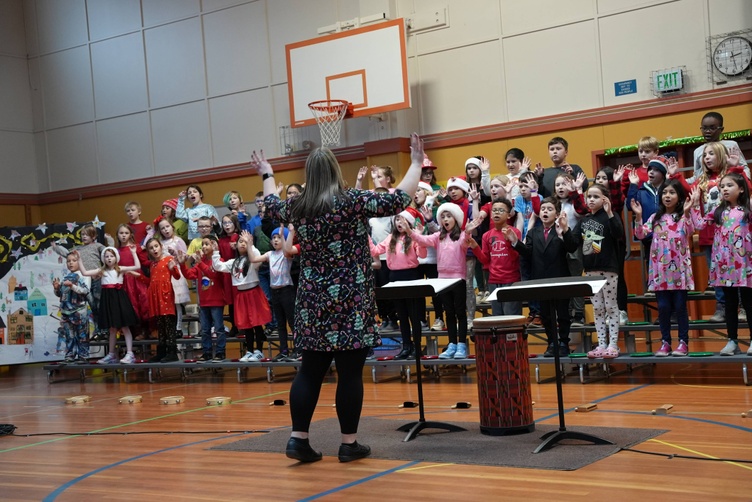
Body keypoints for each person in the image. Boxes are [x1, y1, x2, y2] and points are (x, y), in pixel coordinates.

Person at [252, 132, 423, 463]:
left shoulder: (298, 205)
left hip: (312, 301)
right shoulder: (353, 200)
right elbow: (399, 199)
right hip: (351, 301)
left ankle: (298, 439)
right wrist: (415, 162)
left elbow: (271, 203)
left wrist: (267, 172)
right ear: (334, 172)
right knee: (349, 374)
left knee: (309, 372)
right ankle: (348, 444)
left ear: (309, 176)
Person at [632, 181, 700, 356]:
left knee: (679, 307)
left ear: (679, 197)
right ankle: (665, 342)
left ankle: (683, 343)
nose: (667, 196)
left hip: (679, 273)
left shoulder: (684, 216)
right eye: (664, 193)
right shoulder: (655, 217)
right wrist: (638, 216)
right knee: (663, 308)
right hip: (660, 273)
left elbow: (692, 229)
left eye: (672, 192)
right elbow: (640, 234)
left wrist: (687, 211)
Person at [509, 197, 579, 356]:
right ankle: (552, 343)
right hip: (540, 279)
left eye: (549, 209)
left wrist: (565, 230)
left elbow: (572, 247)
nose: (545, 212)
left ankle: (563, 343)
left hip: (560, 278)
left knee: (563, 314)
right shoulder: (534, 232)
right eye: (543, 209)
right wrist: (516, 243)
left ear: (557, 213)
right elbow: (527, 253)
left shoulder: (562, 229)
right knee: (546, 315)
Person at [695, 172, 752, 356]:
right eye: (722, 186)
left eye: (729, 185)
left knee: (749, 303)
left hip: (744, 264)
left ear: (741, 189)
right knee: (730, 303)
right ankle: (732, 340)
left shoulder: (748, 209)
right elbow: (699, 225)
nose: (724, 189)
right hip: (724, 265)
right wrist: (695, 204)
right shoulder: (717, 211)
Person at [693, 142, 747, 322]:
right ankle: (721, 306)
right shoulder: (702, 180)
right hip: (711, 235)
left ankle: (742, 307)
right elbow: (686, 191)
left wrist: (736, 168)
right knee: (716, 273)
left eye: (711, 154)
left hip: (735, 235)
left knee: (738, 271)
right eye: (704, 155)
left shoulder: (730, 176)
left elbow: (746, 188)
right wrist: (675, 175)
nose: (707, 158)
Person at [411, 203, 473, 360]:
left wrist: (470, 229)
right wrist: (409, 231)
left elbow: (468, 239)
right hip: (442, 280)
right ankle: (452, 344)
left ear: (456, 219)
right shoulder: (439, 236)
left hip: (458, 279)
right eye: (443, 217)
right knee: (449, 313)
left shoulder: (462, 236)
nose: (445, 219)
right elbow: (422, 239)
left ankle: (461, 344)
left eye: (449, 216)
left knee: (460, 312)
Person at [574, 184, 624, 359]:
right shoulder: (584, 221)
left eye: (596, 196)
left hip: (608, 269)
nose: (592, 200)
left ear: (605, 199)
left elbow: (619, 233)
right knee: (597, 308)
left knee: (610, 306)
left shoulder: (610, 217)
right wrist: (564, 229)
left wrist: (610, 213)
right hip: (590, 271)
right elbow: (572, 242)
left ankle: (613, 344)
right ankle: (602, 344)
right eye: (589, 197)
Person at [370, 209, 427, 360]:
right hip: (394, 277)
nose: (399, 223)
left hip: (412, 277)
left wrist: (419, 237)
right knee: (402, 315)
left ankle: (417, 347)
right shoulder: (390, 238)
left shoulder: (413, 237)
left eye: (403, 220)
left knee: (413, 315)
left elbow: (422, 255)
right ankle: (406, 346)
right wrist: (367, 237)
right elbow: (375, 250)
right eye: (397, 220)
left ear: (409, 222)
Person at [212, 230, 272, 363]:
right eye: (240, 242)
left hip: (253, 293)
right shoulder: (233, 262)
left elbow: (255, 256)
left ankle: (259, 351)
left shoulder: (253, 259)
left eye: (245, 242)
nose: (242, 244)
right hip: (241, 295)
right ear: (236, 246)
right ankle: (249, 351)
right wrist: (216, 252)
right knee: (246, 325)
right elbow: (218, 266)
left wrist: (250, 244)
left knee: (256, 324)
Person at [78, 247, 141, 364]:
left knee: (124, 326)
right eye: (106, 256)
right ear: (103, 258)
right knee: (112, 328)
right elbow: (85, 273)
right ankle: (111, 354)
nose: (109, 258)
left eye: (111, 256)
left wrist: (133, 253)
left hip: (119, 298)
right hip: (107, 299)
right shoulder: (101, 271)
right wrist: (80, 260)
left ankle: (130, 353)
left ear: (116, 257)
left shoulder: (120, 269)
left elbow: (137, 266)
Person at [248, 225, 297, 362]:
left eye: (278, 238)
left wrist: (284, 235)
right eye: (273, 238)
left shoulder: (287, 254)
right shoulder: (270, 255)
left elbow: (288, 251)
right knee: (280, 323)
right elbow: (253, 259)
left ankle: (298, 350)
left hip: (287, 290)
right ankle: (283, 350)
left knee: (292, 322)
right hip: (275, 291)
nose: (275, 240)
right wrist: (250, 245)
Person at [467, 198, 521, 316]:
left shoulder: (514, 232)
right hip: (493, 281)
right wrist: (475, 247)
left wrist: (508, 242)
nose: (496, 213)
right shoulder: (487, 235)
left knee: (511, 316)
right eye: (494, 210)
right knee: (498, 317)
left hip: (511, 280)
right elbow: (485, 260)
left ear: (508, 215)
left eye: (501, 210)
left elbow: (515, 257)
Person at [181, 234, 227, 362]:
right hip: (204, 301)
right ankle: (206, 352)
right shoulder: (200, 262)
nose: (204, 247)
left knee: (218, 328)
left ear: (214, 245)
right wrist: (182, 264)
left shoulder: (219, 261)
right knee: (205, 329)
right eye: (203, 245)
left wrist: (199, 263)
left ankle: (220, 352)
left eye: (206, 244)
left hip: (216, 300)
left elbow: (212, 274)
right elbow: (190, 274)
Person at [136, 238, 182, 362]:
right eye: (151, 248)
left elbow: (177, 277)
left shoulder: (168, 260)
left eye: (156, 246)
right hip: (156, 298)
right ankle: (161, 352)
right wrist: (138, 276)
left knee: (168, 324)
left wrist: (173, 268)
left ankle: (172, 352)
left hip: (166, 296)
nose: (154, 249)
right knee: (160, 325)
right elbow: (151, 282)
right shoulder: (152, 264)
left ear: (161, 246)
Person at [156, 217, 192, 338]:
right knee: (168, 303)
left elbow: (185, 256)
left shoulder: (178, 240)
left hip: (176, 273)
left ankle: (178, 327)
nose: (165, 230)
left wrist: (176, 254)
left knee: (176, 303)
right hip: (164, 275)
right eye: (162, 228)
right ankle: (168, 328)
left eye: (167, 227)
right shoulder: (160, 243)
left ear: (172, 227)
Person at [53, 252, 91, 364]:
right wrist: (57, 288)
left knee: (82, 335)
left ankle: (83, 356)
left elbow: (85, 290)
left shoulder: (84, 275)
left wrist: (72, 286)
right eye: (68, 261)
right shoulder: (66, 276)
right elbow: (62, 294)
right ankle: (69, 355)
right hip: (66, 312)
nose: (70, 263)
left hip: (79, 311)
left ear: (79, 262)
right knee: (69, 335)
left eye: (73, 261)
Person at [114, 223, 150, 340]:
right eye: (121, 233)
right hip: (123, 280)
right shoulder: (117, 251)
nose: (123, 236)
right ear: (117, 235)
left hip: (136, 279)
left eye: (126, 233)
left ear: (130, 235)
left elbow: (145, 262)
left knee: (142, 303)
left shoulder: (137, 248)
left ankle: (144, 330)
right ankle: (132, 333)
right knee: (128, 305)